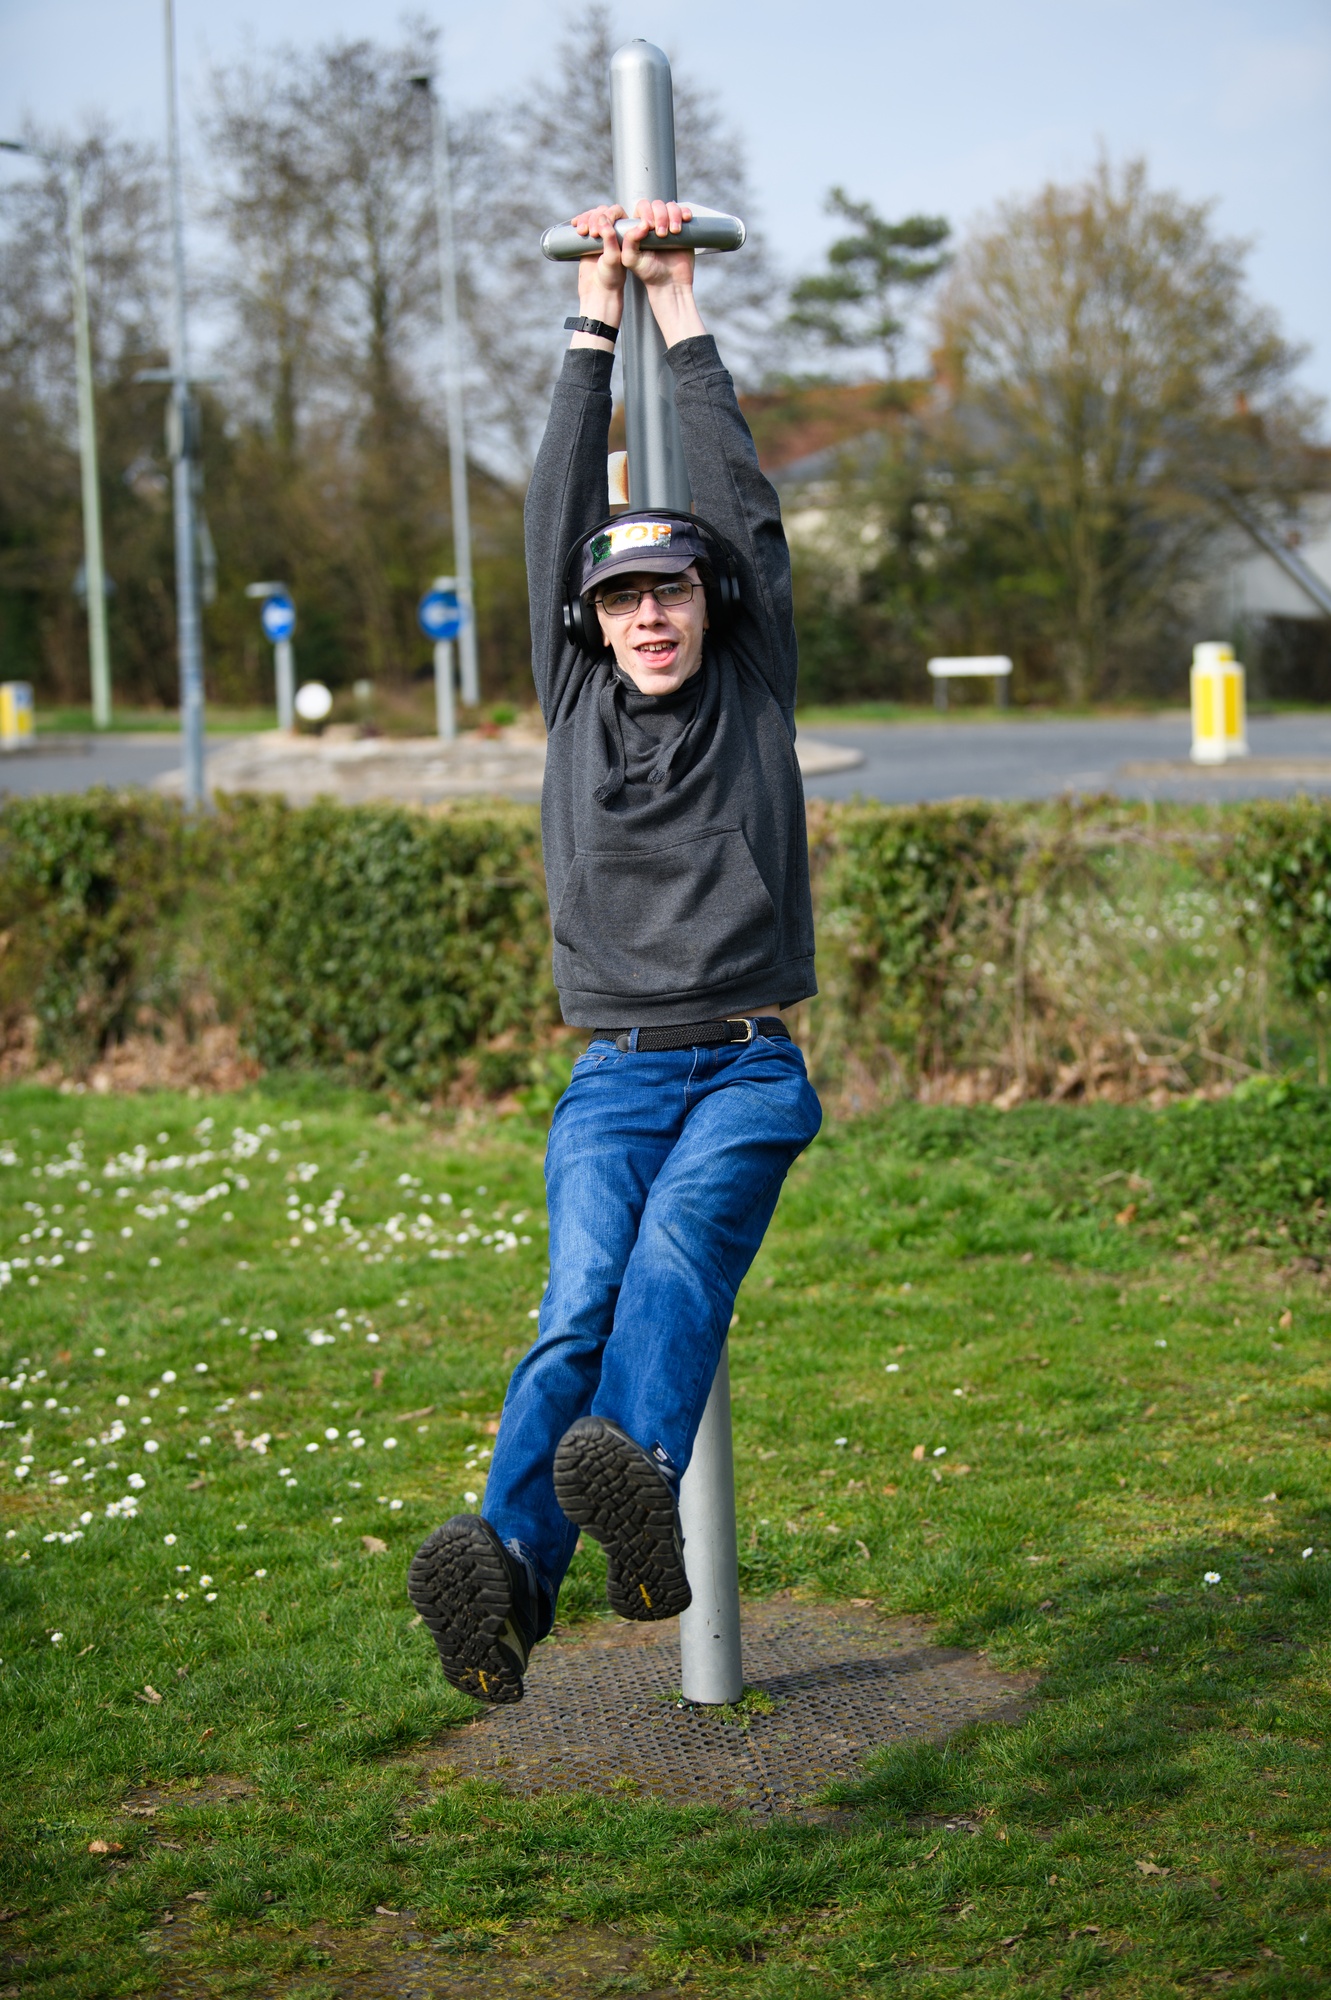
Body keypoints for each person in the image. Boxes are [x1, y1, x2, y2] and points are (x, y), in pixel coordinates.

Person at [408, 196, 821, 1703]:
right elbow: (551, 507)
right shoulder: (574, 700)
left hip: (747, 1066)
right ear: (590, 620)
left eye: (674, 588)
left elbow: (742, 500)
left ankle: (634, 1492)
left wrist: (679, 308)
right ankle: (516, 1586)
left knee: (675, 1254)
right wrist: (592, 315)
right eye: (623, 595)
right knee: (575, 1308)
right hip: (614, 1074)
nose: (651, 614)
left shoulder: (752, 682)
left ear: (712, 604)